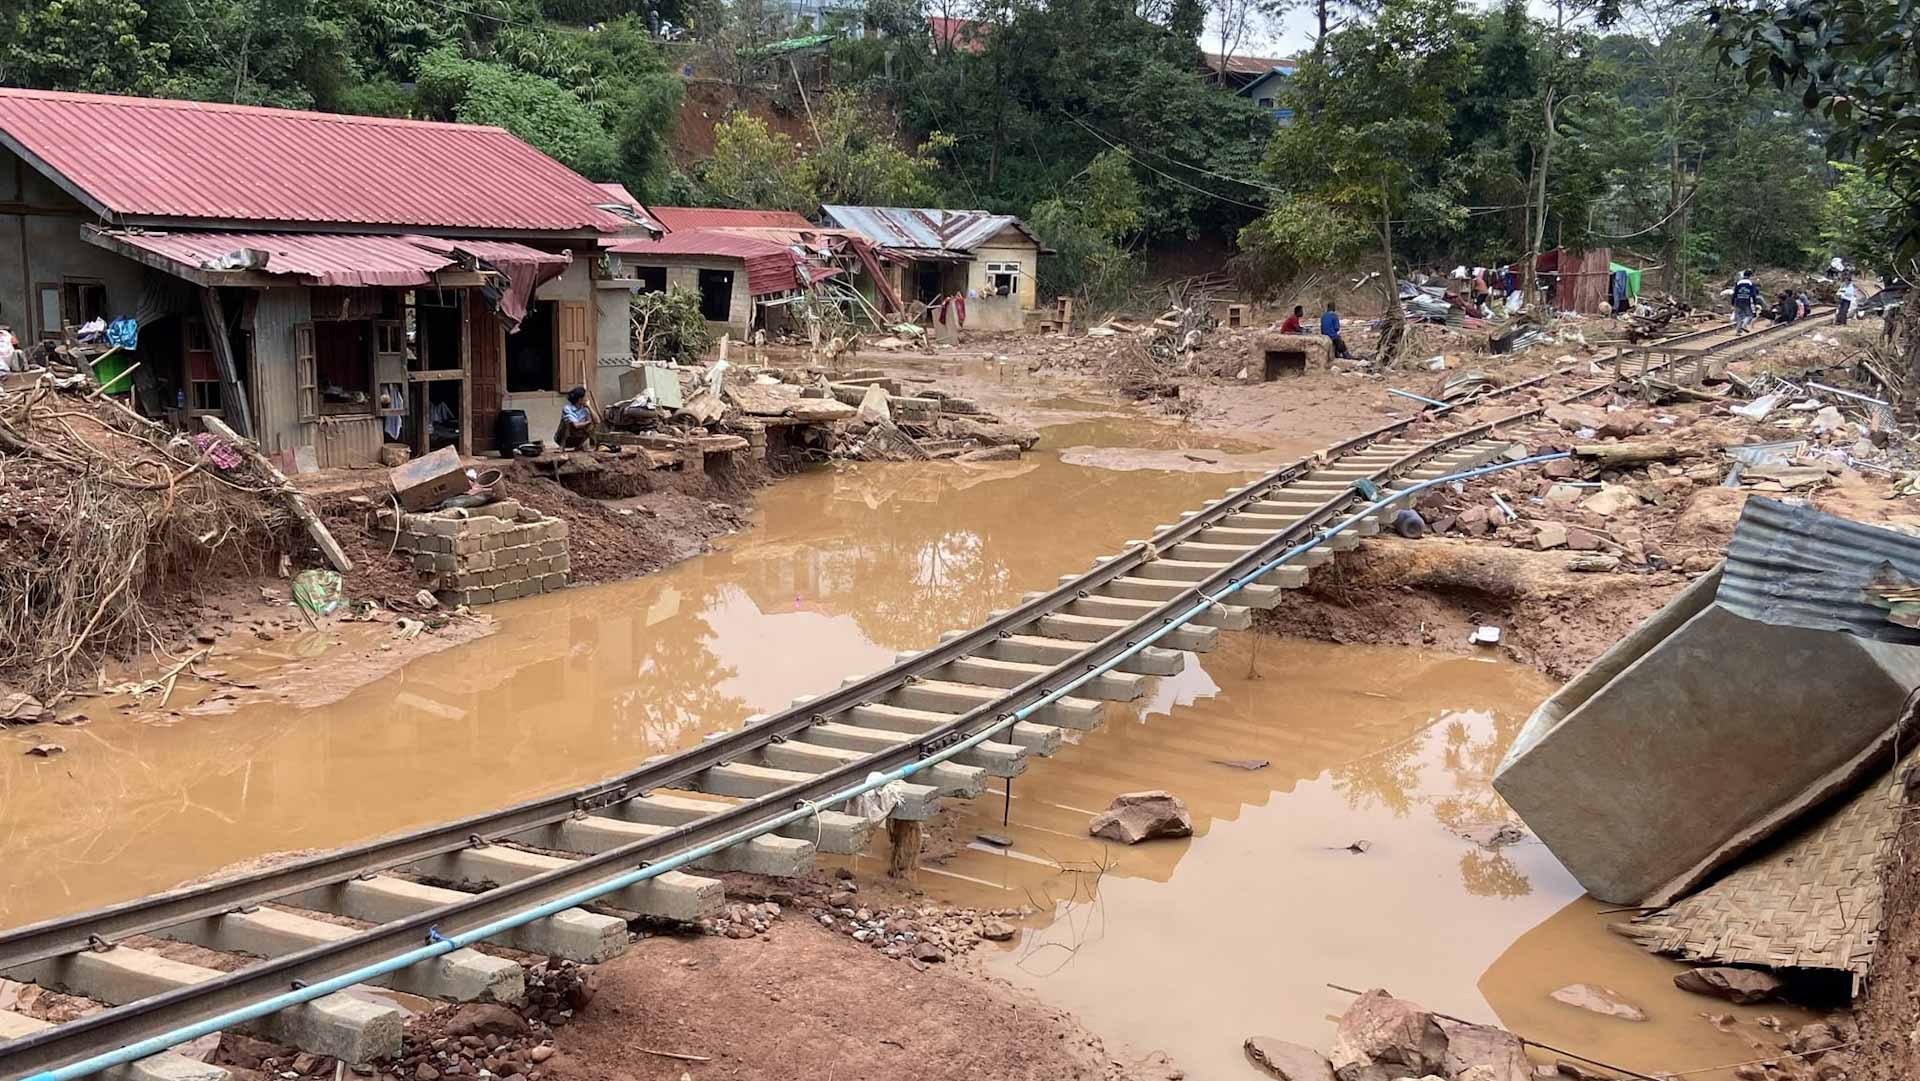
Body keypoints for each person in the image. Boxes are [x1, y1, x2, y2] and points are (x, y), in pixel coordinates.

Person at [554, 385, 593, 450]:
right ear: (580, 399)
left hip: (576, 439)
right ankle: (562, 446)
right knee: (567, 422)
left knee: (592, 425)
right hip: (562, 439)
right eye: (585, 396)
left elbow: (597, 421)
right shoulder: (567, 408)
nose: (587, 398)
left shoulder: (584, 409)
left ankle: (579, 446)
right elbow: (576, 425)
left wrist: (589, 407)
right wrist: (588, 422)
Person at [1731, 270, 1760, 334]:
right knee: (1749, 315)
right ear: (1750, 276)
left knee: (1738, 316)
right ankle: (1744, 324)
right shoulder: (1750, 283)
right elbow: (1753, 294)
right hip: (1746, 301)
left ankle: (1738, 331)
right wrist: (1755, 303)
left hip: (1738, 301)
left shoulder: (1738, 282)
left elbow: (1734, 293)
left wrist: (1732, 302)